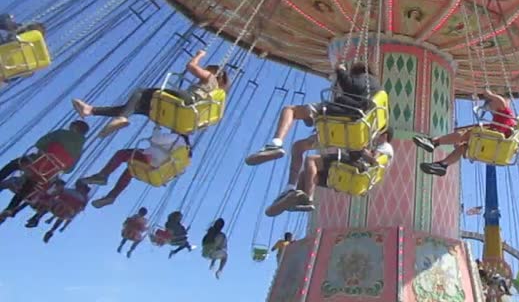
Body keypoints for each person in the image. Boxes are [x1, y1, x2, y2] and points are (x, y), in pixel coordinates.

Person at [246, 62, 380, 166]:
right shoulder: (377, 94)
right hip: (347, 129)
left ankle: (275, 144)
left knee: (290, 110)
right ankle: (293, 190)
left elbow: (350, 85)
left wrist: (341, 70)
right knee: (298, 146)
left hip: (342, 115)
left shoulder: (367, 79)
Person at [72, 50, 228, 137]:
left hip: (188, 101)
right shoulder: (216, 95)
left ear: (214, 72)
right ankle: (92, 110)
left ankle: (120, 117)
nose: (204, 71)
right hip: (186, 114)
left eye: (207, 69)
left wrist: (199, 55)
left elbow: (190, 66)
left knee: (141, 91)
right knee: (137, 106)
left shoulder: (210, 78)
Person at [265, 129, 394, 216]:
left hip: (357, 167)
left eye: (379, 133)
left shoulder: (385, 147)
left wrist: (360, 148)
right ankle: (296, 198)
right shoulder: (381, 148)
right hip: (354, 173)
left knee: (310, 160)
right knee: (305, 174)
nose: (376, 136)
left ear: (385, 135)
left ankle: (308, 198)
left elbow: (374, 160)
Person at [416, 89, 519, 176]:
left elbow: (501, 101)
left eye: (489, 103)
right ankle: (442, 165)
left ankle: (434, 142)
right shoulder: (499, 121)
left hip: (494, 142)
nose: (489, 107)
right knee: (463, 148)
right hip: (494, 148)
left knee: (466, 134)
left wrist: (489, 94)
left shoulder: (505, 111)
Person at [0, 120, 90, 219]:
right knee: (31, 182)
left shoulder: (61, 133)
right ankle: (11, 207)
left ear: (74, 127)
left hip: (38, 162)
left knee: (14, 164)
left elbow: (40, 143)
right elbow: (69, 169)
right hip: (48, 174)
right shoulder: (80, 150)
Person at [80, 131, 190, 208]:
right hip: (157, 171)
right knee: (131, 170)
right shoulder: (186, 156)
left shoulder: (176, 137)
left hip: (150, 160)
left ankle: (103, 175)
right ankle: (112, 196)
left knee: (121, 154)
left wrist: (156, 131)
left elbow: (156, 139)